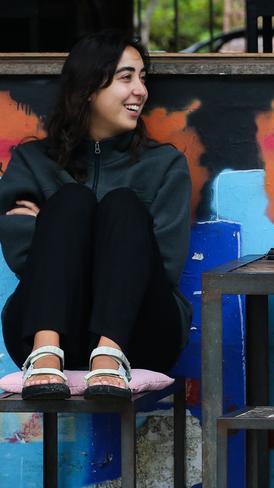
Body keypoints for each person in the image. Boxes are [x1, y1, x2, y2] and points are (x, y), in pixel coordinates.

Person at [0, 30, 192, 401]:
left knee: (121, 206)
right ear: (89, 87)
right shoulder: (33, 161)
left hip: (140, 335)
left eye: (142, 78)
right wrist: (74, 220)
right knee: (72, 200)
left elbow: (165, 264)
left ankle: (108, 353)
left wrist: (51, 225)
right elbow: (24, 257)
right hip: (50, 329)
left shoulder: (165, 165)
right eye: (126, 78)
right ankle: (44, 354)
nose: (141, 91)